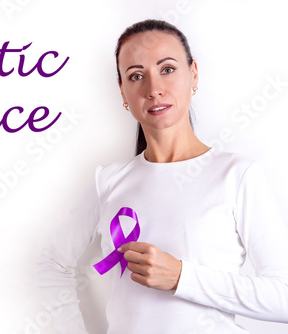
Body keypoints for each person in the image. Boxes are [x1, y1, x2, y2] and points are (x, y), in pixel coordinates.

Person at [37, 19, 288, 333]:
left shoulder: (236, 175)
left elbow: (283, 298)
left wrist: (181, 277)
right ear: (123, 90)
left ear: (193, 74)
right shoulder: (108, 181)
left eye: (167, 69)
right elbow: (52, 264)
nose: (154, 89)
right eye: (136, 76)